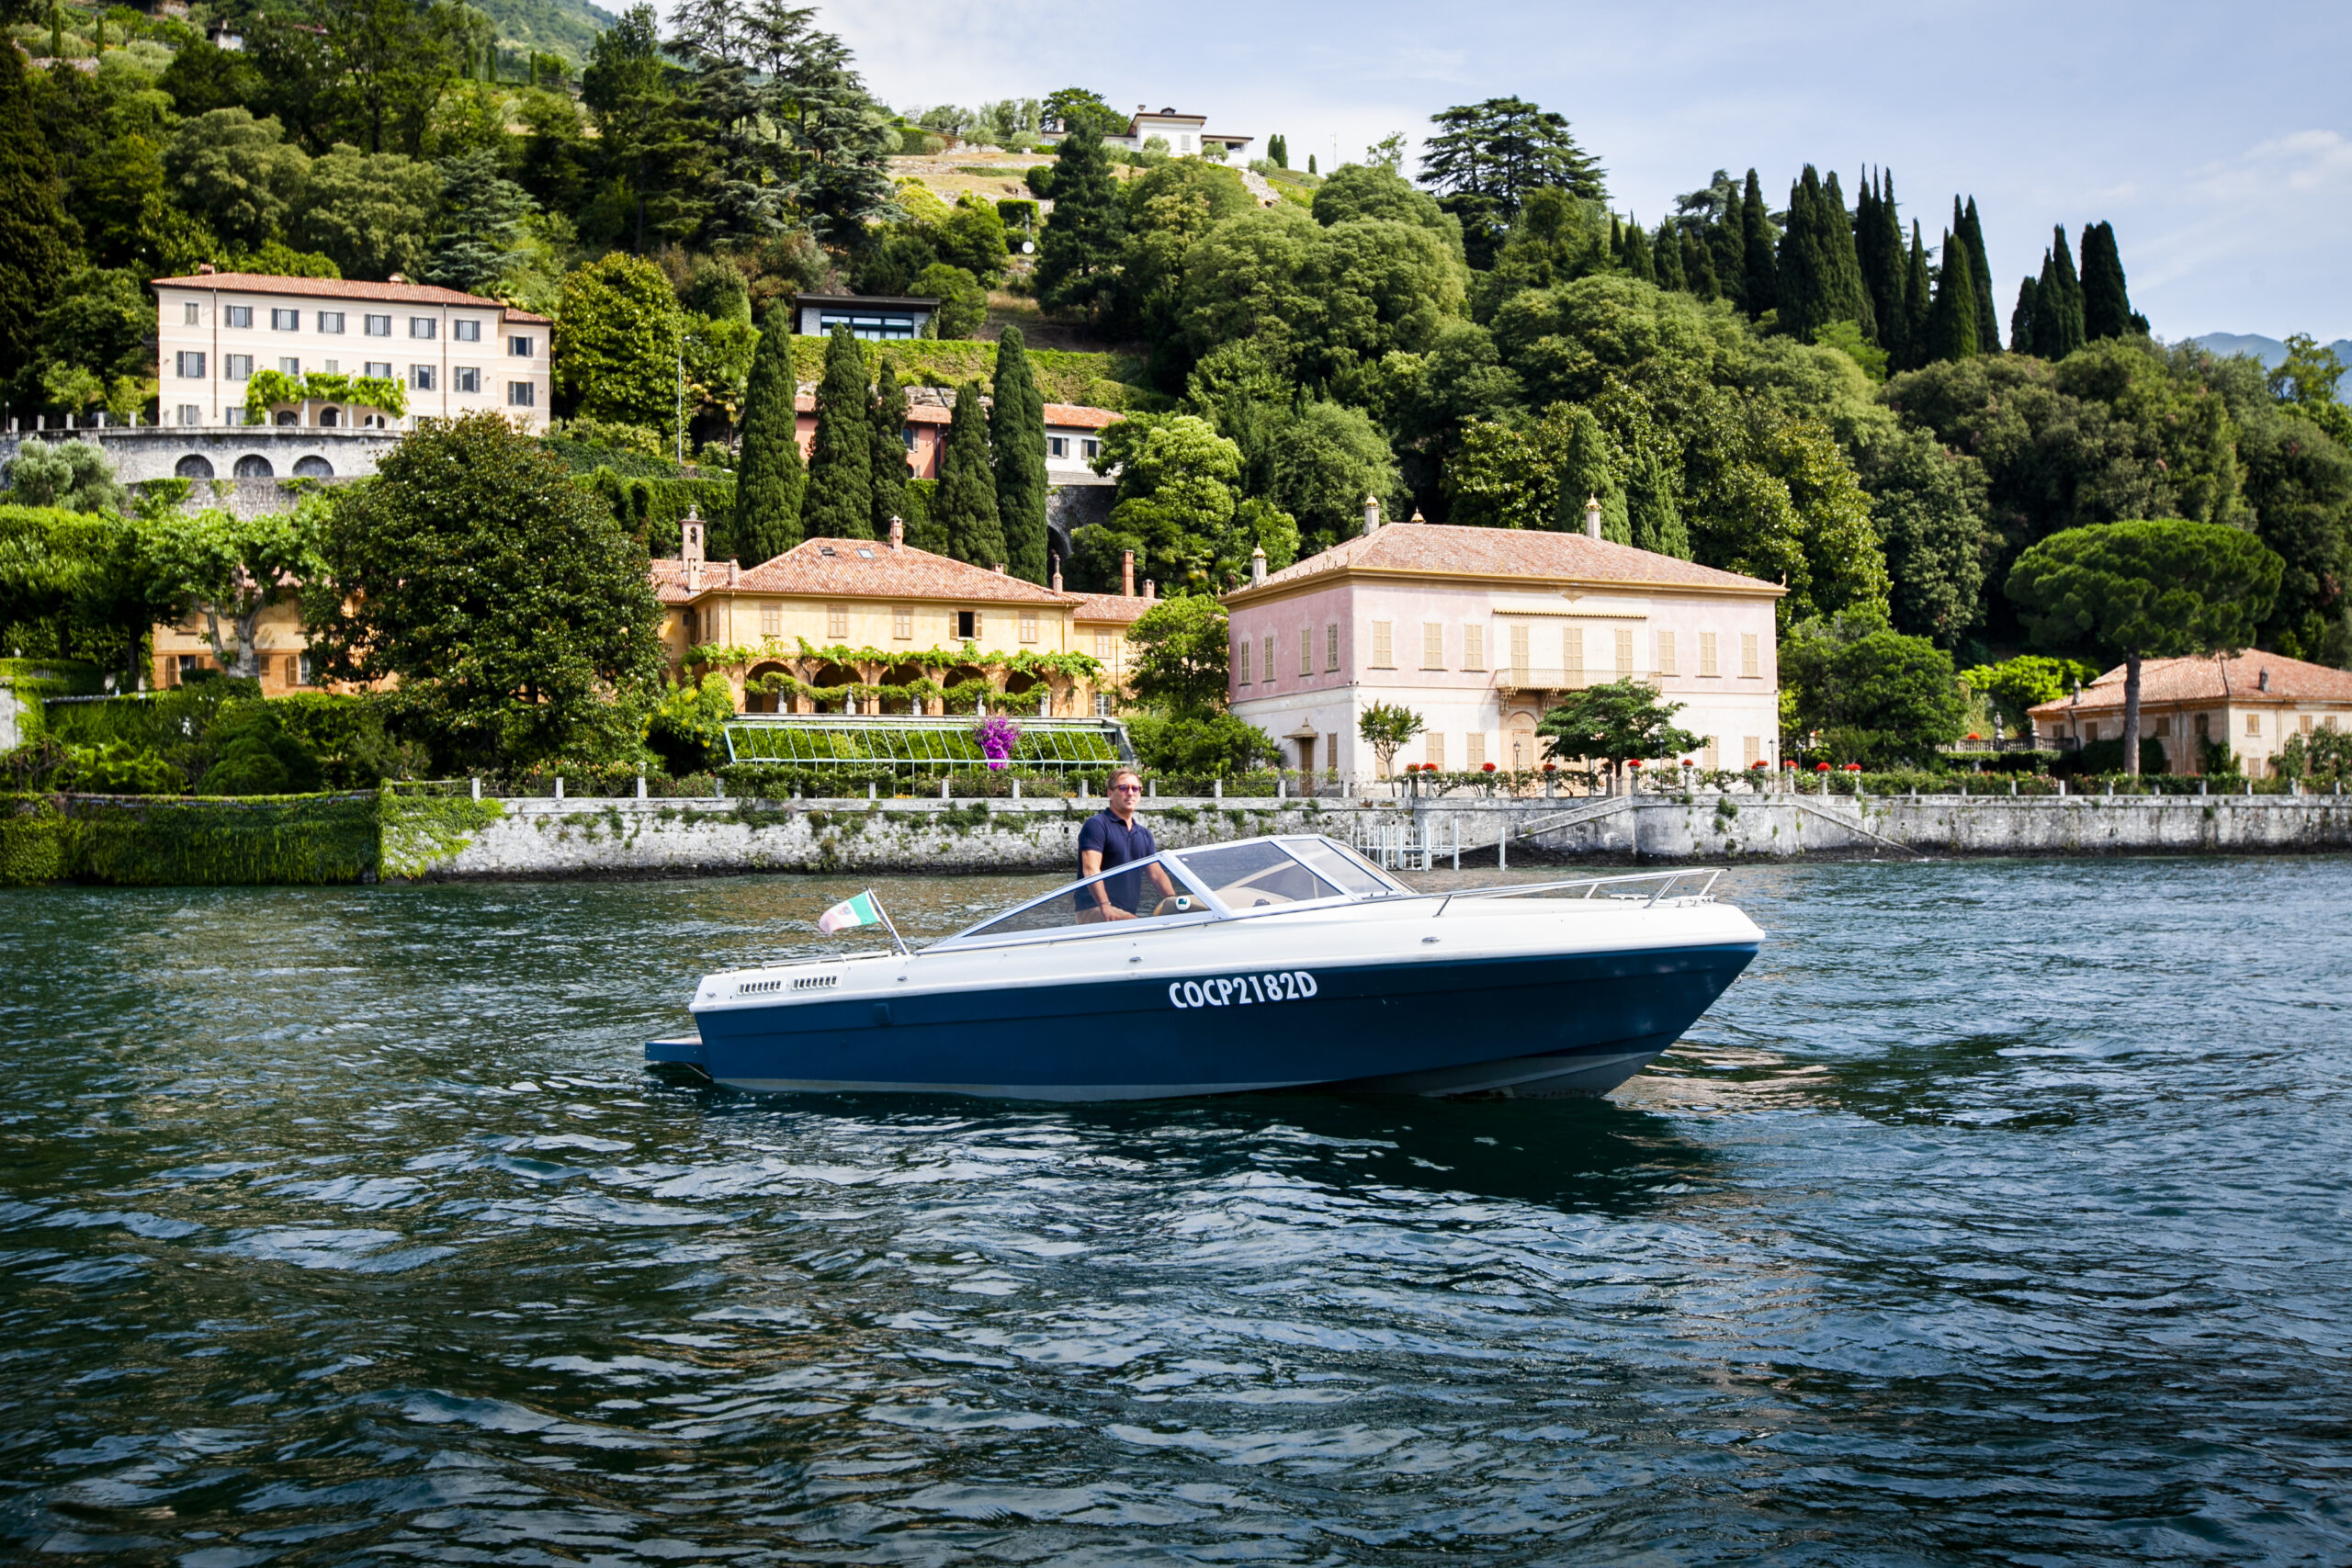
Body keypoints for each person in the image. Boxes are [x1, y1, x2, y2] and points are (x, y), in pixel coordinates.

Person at [1075, 766, 1179, 920]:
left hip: (1126, 911)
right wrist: (1105, 905)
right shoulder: (1097, 825)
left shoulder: (1143, 834)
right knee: (1140, 927)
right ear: (1110, 794)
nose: (1130, 793)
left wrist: (1173, 901)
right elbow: (1091, 869)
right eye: (1123, 788)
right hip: (1094, 908)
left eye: (1135, 789)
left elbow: (1156, 875)